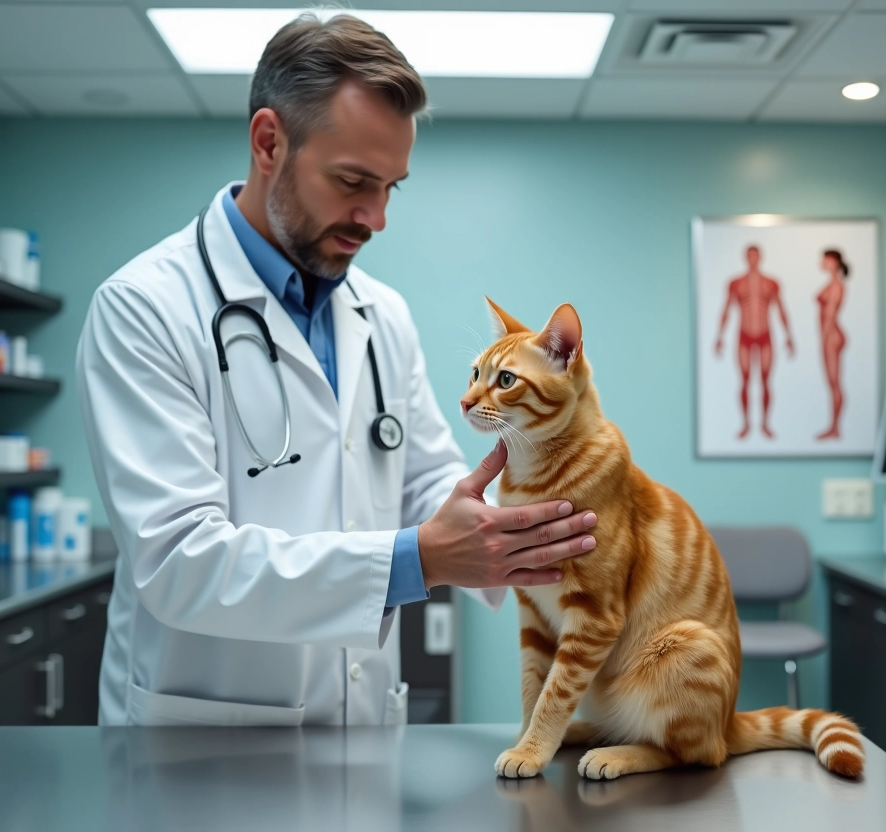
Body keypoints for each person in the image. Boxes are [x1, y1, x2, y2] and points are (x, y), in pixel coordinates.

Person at [75, 14, 597, 727]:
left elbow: (429, 483)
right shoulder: (145, 308)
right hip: (203, 744)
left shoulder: (383, 315)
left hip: (361, 729)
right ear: (269, 143)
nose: (376, 217)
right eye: (354, 181)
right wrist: (416, 562)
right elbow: (177, 560)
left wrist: (531, 533)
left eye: (391, 188)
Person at [714, 245, 795, 439]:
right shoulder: (735, 283)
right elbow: (726, 309)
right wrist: (720, 336)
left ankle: (765, 424)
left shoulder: (771, 283)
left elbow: (781, 309)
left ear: (760, 258)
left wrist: (788, 336)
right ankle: (746, 424)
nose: (753, 259)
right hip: (744, 336)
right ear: (746, 258)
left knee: (766, 381)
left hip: (765, 335)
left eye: (755, 256)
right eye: (750, 255)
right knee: (745, 380)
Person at [815, 249, 849, 440]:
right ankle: (833, 427)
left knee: (834, 384)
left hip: (832, 337)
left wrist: (824, 339)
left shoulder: (836, 286)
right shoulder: (831, 284)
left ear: (834, 261)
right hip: (830, 336)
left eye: (825, 260)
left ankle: (835, 428)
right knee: (832, 384)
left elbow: (829, 315)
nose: (822, 262)